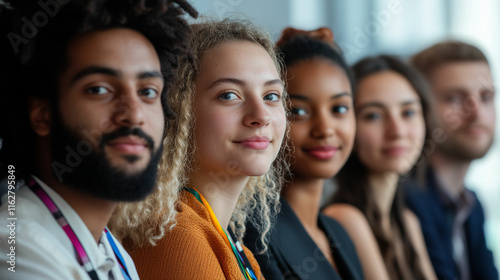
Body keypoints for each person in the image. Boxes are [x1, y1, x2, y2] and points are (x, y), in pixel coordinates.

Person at [0, 0, 196, 279]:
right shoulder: (15, 251)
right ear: (41, 115)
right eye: (99, 89)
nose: (134, 114)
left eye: (148, 91)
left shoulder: (110, 249)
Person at [109, 19, 288, 280]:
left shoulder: (231, 245)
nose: (261, 116)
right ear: (178, 110)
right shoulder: (176, 237)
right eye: (229, 95)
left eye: (271, 96)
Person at [243, 27, 364, 280]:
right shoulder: (253, 235)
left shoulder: (339, 234)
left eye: (339, 108)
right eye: (298, 112)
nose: (325, 129)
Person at [323, 56, 437, 280]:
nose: (397, 131)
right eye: (373, 115)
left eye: (409, 112)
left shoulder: (407, 222)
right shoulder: (344, 217)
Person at [404, 41, 498, 280]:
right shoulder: (406, 201)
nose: (476, 112)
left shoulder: (470, 204)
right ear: (419, 108)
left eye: (486, 96)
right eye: (455, 98)